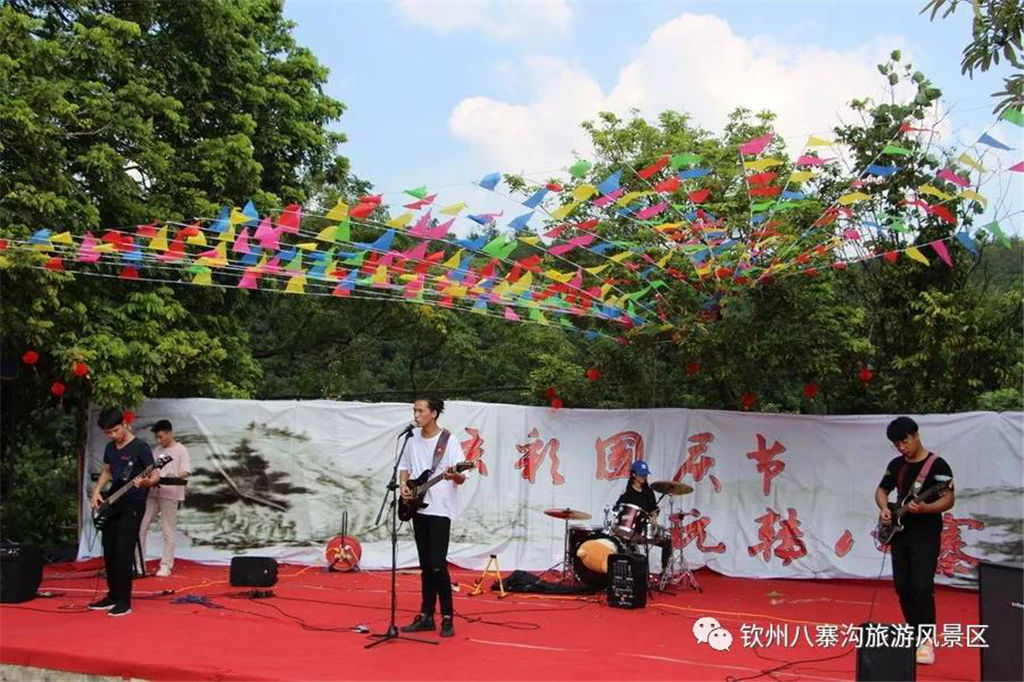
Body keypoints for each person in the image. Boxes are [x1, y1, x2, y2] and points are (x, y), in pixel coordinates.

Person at [875, 416, 955, 666]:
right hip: (900, 533)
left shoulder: (938, 465)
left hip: (925, 534)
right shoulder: (896, 465)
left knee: (921, 586)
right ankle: (914, 633)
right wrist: (884, 508)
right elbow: (882, 490)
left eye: (905, 442)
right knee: (902, 586)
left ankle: (927, 640)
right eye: (897, 444)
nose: (902, 448)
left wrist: (927, 508)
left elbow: (948, 499)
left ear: (916, 435)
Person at [398, 398, 465, 638]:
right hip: (418, 507)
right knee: (425, 565)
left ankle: (447, 616)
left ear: (433, 413)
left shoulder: (449, 440)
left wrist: (454, 475)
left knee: (438, 564)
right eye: (414, 410)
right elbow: (404, 467)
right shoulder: (411, 439)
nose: (416, 414)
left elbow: (461, 477)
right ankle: (426, 615)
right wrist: (404, 486)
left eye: (420, 410)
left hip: (440, 509)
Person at [89, 408, 161, 616]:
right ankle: (112, 595)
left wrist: (147, 482)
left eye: (116, 430)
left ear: (125, 424)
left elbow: (155, 474)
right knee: (110, 548)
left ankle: (124, 600)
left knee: (123, 549)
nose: (113, 435)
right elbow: (107, 470)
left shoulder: (140, 447)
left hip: (133, 504)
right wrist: (97, 491)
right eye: (108, 433)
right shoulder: (110, 448)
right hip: (114, 501)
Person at [139, 419, 191, 577]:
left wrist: (173, 475)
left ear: (169, 433)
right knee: (141, 526)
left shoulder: (181, 450)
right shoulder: (157, 450)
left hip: (170, 493)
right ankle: (139, 564)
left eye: (161, 437)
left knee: (168, 530)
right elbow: (151, 469)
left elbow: (186, 471)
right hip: (153, 492)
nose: (159, 440)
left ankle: (166, 565)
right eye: (157, 437)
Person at [615, 460, 673, 572]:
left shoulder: (648, 492)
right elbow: (618, 509)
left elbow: (654, 509)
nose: (644, 477)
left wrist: (654, 517)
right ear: (633, 474)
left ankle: (665, 573)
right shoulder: (627, 492)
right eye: (641, 474)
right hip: (630, 529)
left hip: (645, 529)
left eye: (645, 474)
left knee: (667, 541)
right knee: (624, 545)